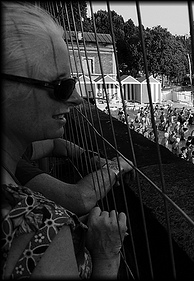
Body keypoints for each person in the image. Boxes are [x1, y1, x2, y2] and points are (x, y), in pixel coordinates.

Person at [1, 3, 127, 278]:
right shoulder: (39, 227)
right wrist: (106, 258)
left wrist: (86, 156)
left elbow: (53, 146)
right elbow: (79, 199)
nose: (77, 98)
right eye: (61, 86)